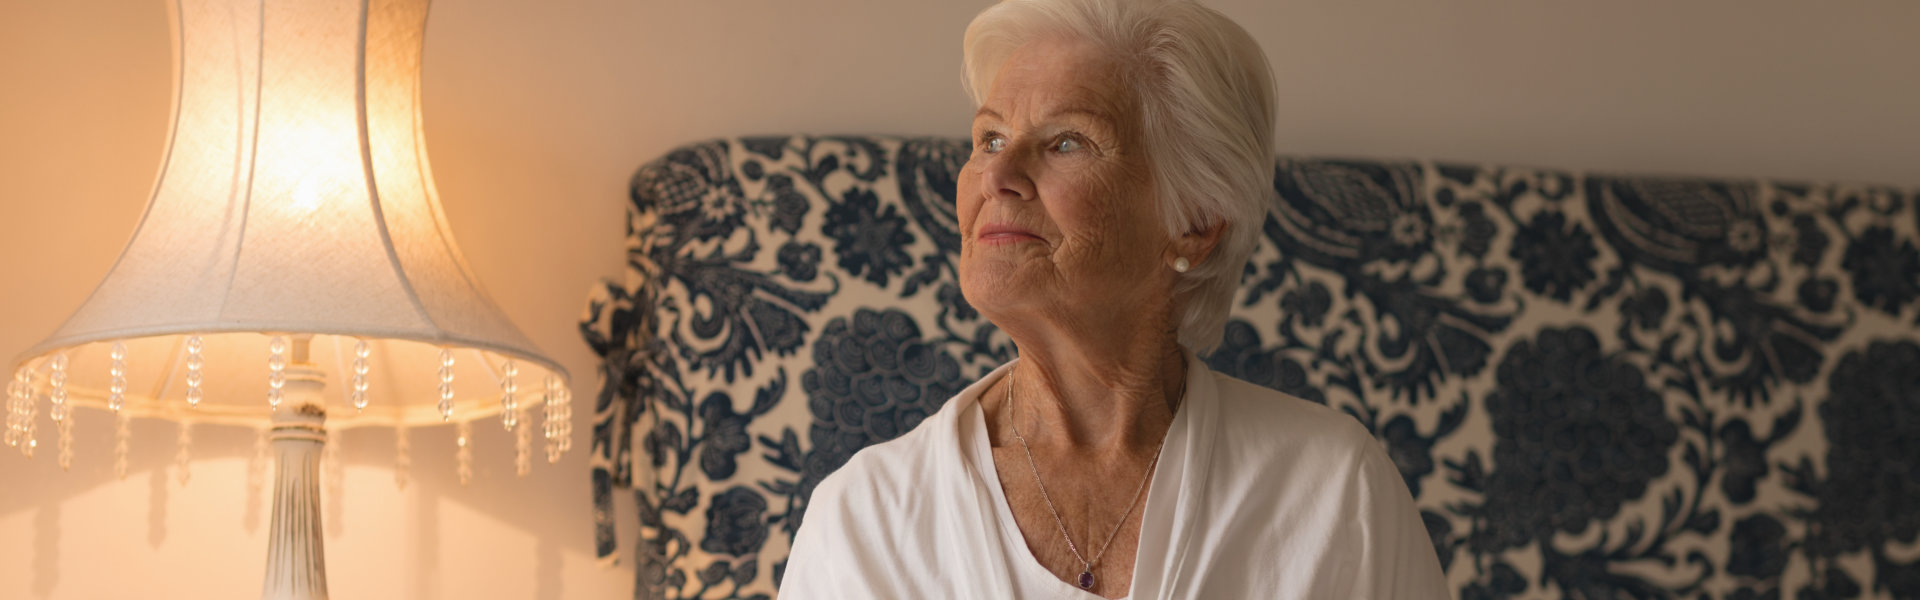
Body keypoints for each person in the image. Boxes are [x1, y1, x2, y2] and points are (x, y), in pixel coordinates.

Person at [779, 0, 1449, 597]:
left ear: (1193, 222)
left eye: (1067, 141)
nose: (999, 176)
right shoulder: (864, 521)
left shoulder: (1333, 492)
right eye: (989, 138)